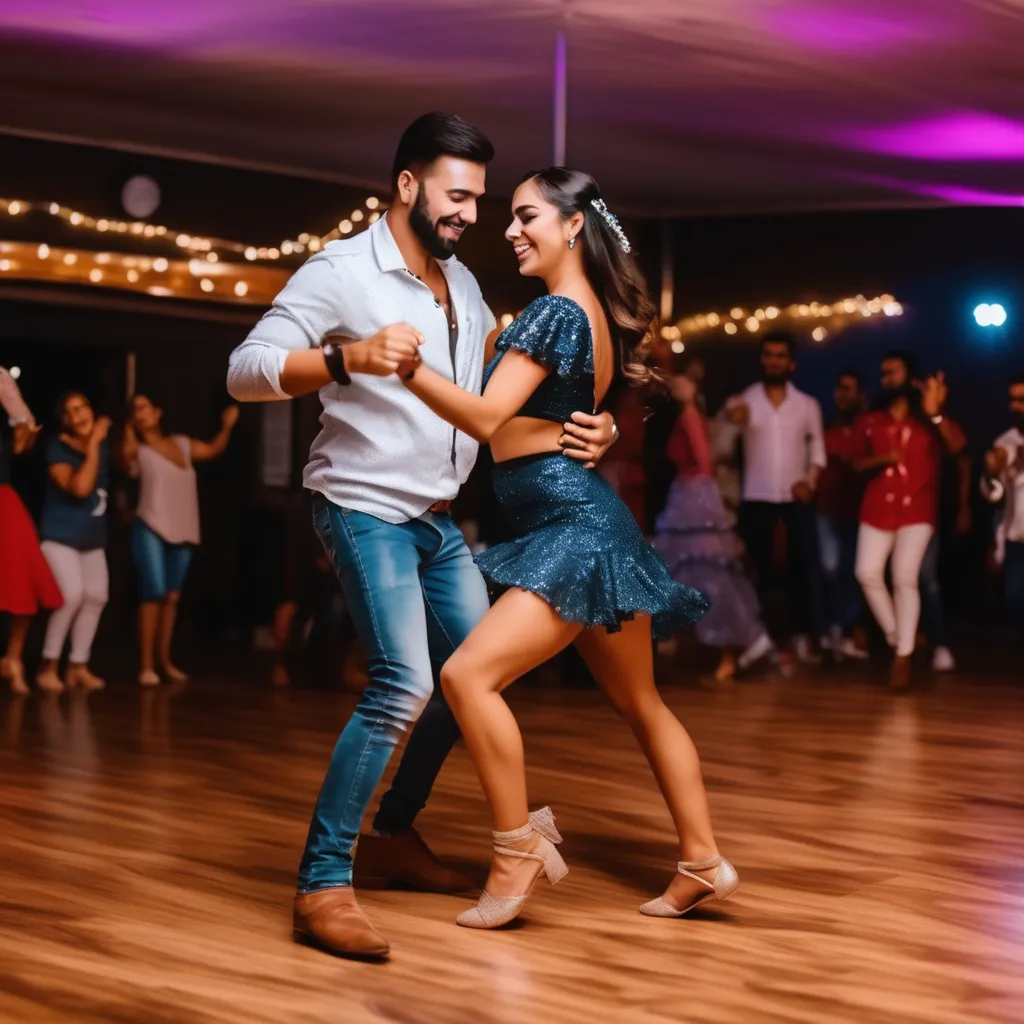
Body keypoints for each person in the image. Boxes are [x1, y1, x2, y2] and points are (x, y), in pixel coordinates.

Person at [226, 113, 617, 960]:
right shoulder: (339, 272)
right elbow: (244, 372)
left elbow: (497, 401)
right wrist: (347, 358)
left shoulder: (463, 286)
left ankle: (395, 835)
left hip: (436, 523)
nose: (471, 214)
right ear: (407, 185)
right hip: (363, 507)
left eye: (479, 199)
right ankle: (322, 883)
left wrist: (595, 426)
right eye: (457, 196)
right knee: (403, 681)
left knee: (473, 680)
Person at [398, 166, 737, 931]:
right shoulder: (586, 314)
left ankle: (516, 850)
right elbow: (552, 410)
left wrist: (405, 365)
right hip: (589, 521)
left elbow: (484, 418)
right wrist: (602, 427)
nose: (511, 230)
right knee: (641, 703)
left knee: (468, 677)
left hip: (570, 531)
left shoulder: (555, 311)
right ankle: (702, 860)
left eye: (527, 216)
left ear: (573, 224)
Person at [653, 370, 773, 685]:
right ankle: (716, 650)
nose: (675, 386)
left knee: (708, 576)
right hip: (687, 495)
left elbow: (704, 461)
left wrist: (701, 498)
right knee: (694, 575)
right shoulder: (687, 414)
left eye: (682, 382)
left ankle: (736, 648)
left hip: (694, 498)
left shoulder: (690, 414)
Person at [851, 353, 963, 690]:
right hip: (877, 507)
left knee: (904, 576)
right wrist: (882, 458)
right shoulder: (871, 420)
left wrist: (935, 412)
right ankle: (898, 636)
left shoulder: (928, 421)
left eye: (893, 371)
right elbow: (854, 463)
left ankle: (902, 658)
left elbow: (958, 446)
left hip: (917, 509)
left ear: (911, 377)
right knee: (866, 572)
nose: (887, 377)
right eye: (883, 372)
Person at [118, 393, 239, 685]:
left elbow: (212, 450)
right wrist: (127, 430)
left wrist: (227, 426)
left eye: (144, 407)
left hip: (183, 527)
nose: (140, 413)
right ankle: (146, 665)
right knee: (153, 592)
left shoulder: (181, 443)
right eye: (135, 410)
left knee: (172, 597)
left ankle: (165, 661)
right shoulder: (139, 449)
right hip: (150, 524)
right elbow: (125, 459)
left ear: (157, 411)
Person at [726, 332, 826, 663]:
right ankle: (760, 639)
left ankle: (803, 638)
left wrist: (810, 482)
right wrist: (732, 420)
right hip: (757, 496)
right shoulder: (744, 400)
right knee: (758, 573)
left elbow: (818, 450)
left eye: (781, 356)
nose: (774, 361)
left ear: (792, 363)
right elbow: (723, 443)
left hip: (796, 498)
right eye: (768, 355)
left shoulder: (807, 404)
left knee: (803, 571)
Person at [36, 392, 111, 693]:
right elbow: (80, 488)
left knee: (96, 596)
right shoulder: (57, 447)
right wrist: (93, 445)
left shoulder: (102, 443)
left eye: (82, 408)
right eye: (70, 412)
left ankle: (78, 666)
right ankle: (48, 667)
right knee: (71, 595)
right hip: (59, 537)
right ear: (64, 420)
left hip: (90, 538)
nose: (78, 416)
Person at [0, 367, 63, 694]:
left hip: (3, 501)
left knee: (22, 583)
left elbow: (22, 439)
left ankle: (13, 659)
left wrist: (24, 428)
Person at [816, 370, 868, 660]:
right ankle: (835, 627)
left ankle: (851, 629)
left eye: (848, 388)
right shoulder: (825, 429)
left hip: (861, 510)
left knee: (855, 571)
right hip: (828, 509)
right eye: (839, 388)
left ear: (861, 395)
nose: (842, 395)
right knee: (830, 569)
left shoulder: (868, 428)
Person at [981, 375, 1024, 643]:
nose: (1016, 406)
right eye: (1013, 400)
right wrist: (992, 473)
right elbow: (994, 494)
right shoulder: (1005, 442)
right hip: (1017, 535)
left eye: (1022, 400)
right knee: (1014, 598)